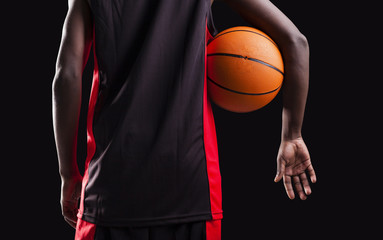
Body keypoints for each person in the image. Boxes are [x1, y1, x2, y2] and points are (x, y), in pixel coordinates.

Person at [52, 0, 317, 239]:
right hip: (194, 190)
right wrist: (292, 134)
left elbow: (68, 75)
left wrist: (69, 173)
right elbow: (296, 41)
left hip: (110, 190)